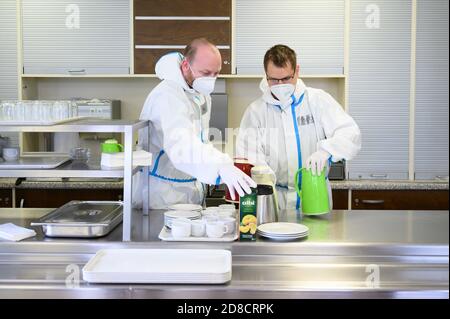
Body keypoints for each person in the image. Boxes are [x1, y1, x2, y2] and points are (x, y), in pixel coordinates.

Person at [133, 38, 256, 209]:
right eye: (206, 73)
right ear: (185, 66)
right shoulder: (168, 95)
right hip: (162, 198)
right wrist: (220, 165)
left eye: (216, 73)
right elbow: (182, 146)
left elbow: (199, 141)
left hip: (188, 193)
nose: (211, 80)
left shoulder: (199, 94)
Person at [236, 44, 361, 211]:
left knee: (318, 235)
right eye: (274, 79)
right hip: (274, 201)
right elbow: (248, 155)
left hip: (315, 195)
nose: (280, 85)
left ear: (297, 71)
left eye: (286, 78)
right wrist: (263, 174)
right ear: (266, 76)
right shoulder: (256, 111)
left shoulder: (318, 101)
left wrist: (327, 151)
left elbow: (350, 133)